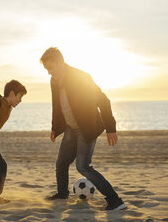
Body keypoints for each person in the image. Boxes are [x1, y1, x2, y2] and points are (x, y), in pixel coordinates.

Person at [40, 47, 127, 211]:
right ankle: (62, 194)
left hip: (87, 127)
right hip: (70, 128)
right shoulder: (54, 81)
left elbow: (103, 101)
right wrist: (55, 128)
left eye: (51, 68)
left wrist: (111, 127)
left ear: (60, 62)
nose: (49, 73)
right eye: (47, 70)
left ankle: (115, 201)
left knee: (82, 166)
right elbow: (57, 106)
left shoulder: (80, 77)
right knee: (61, 163)